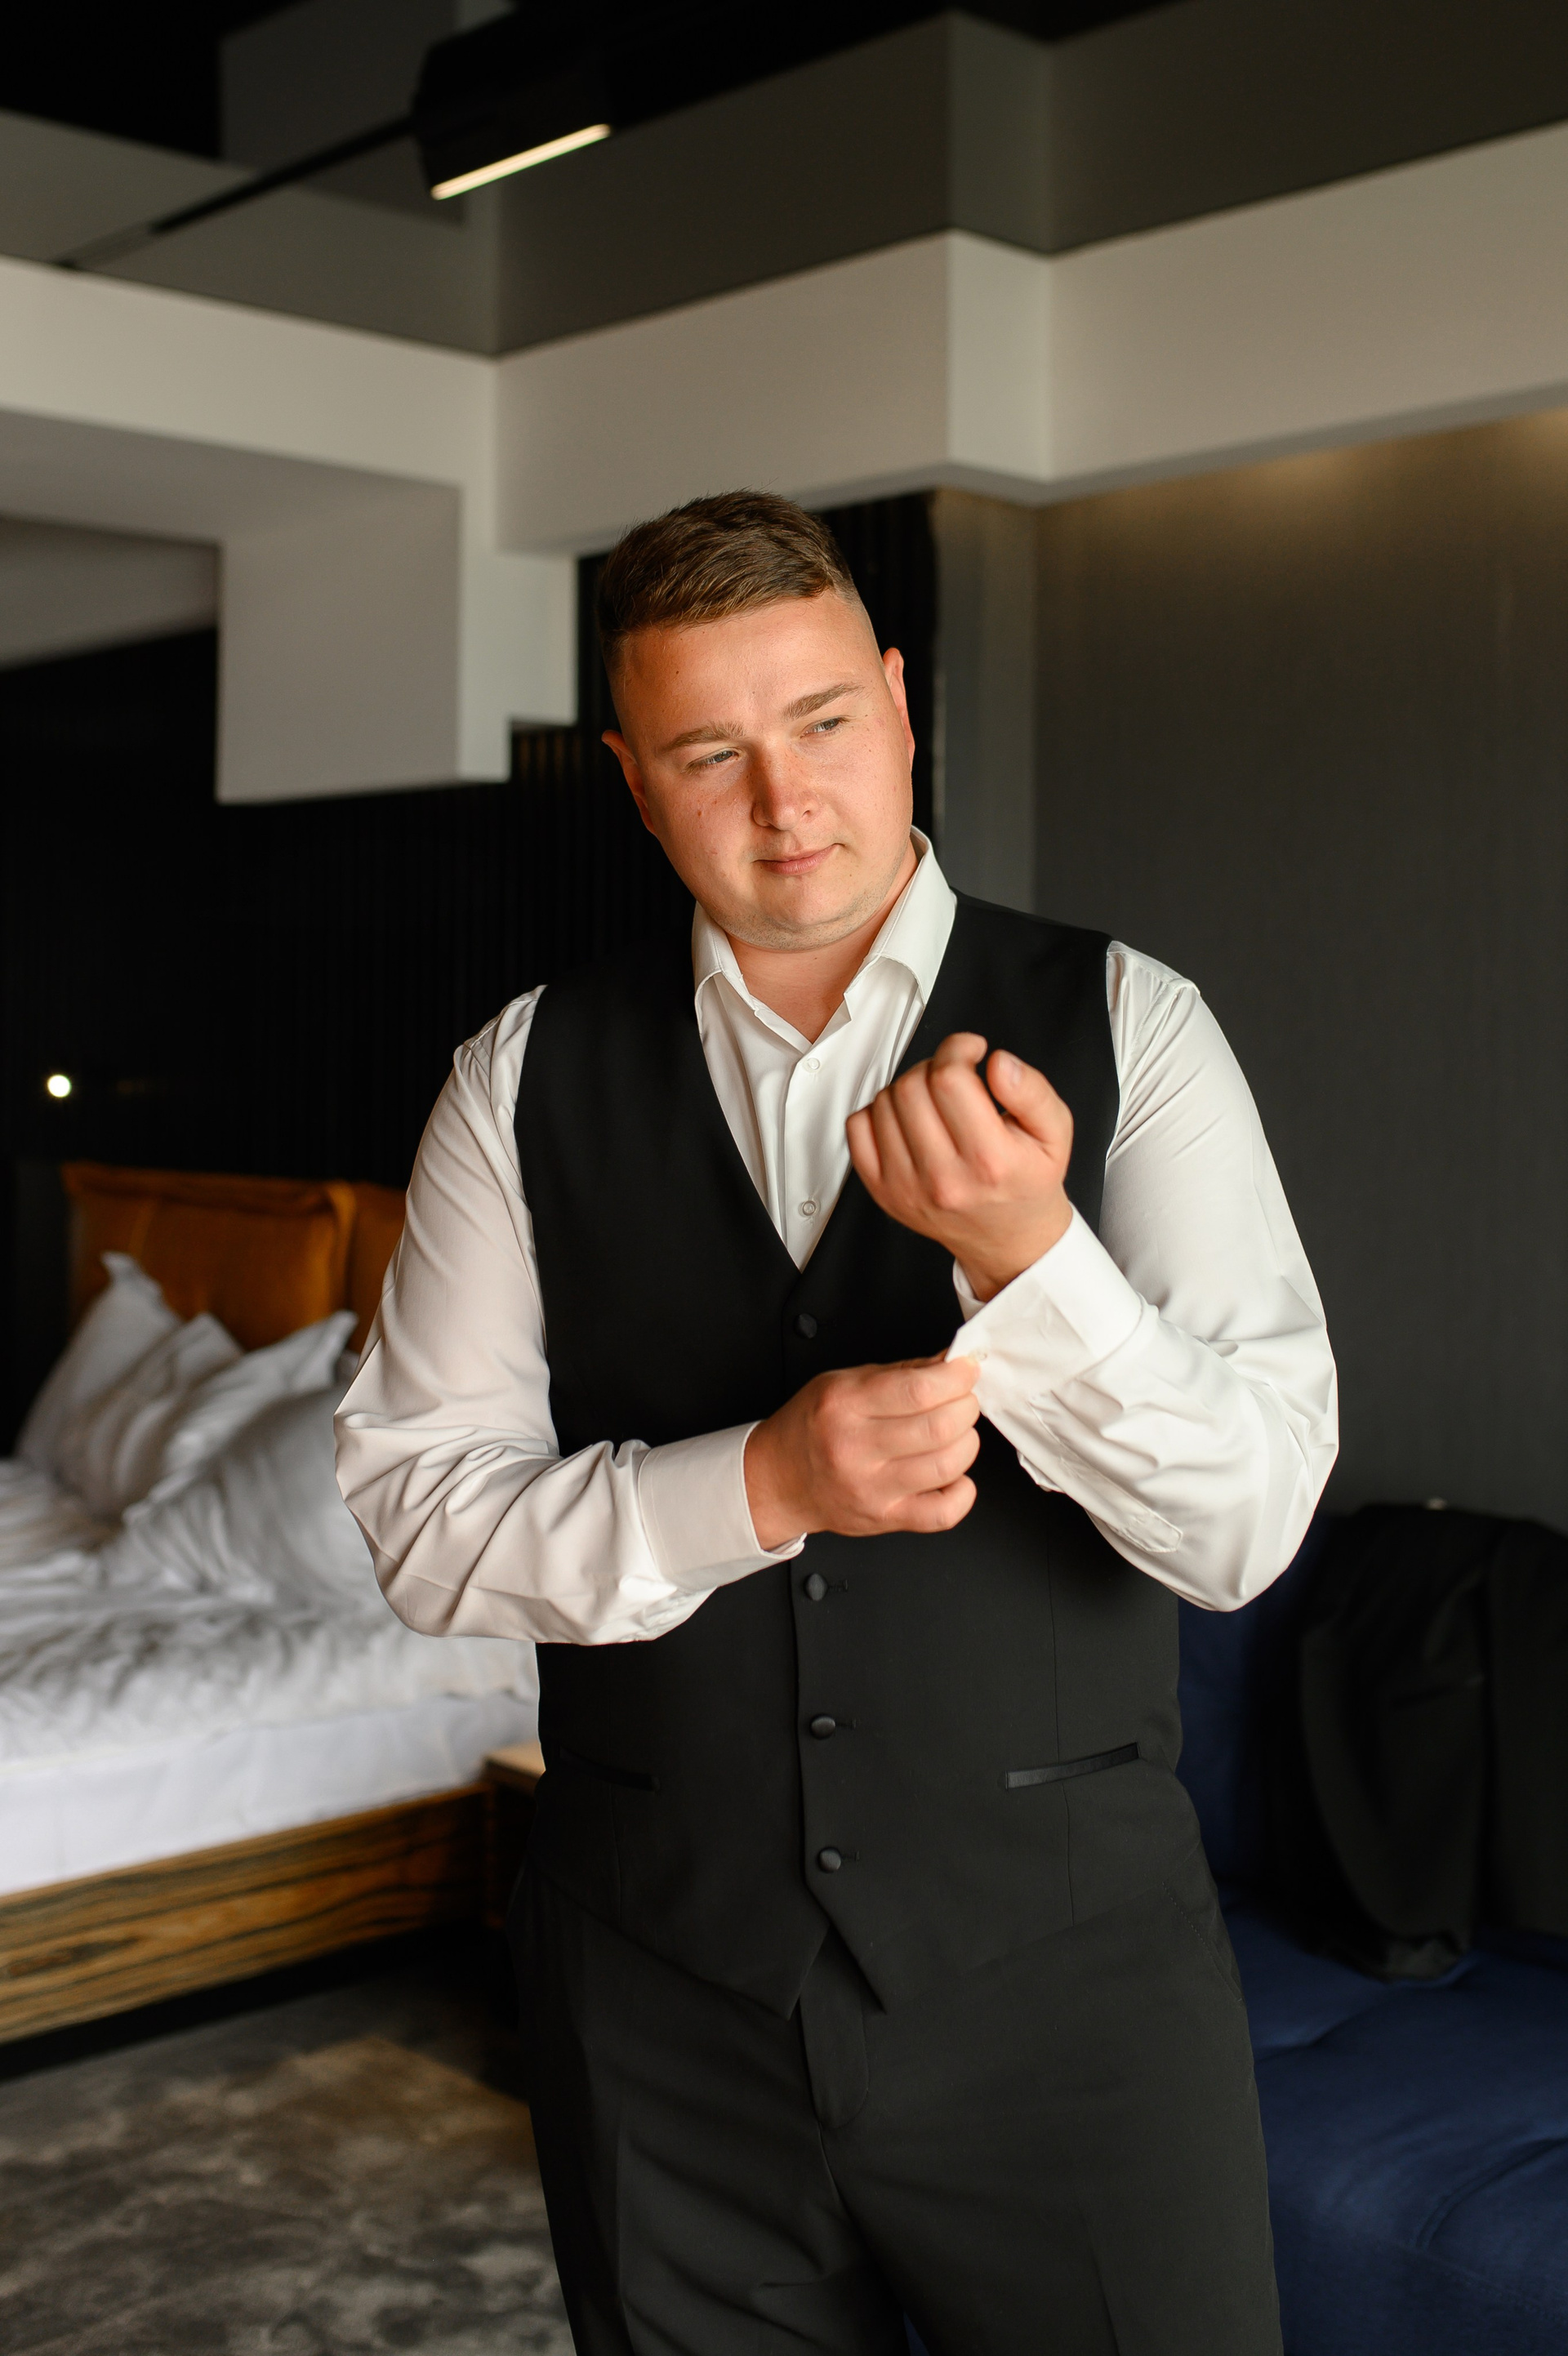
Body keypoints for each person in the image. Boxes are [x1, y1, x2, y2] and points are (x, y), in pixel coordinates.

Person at [335, 490, 1338, 2356]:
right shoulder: (515, 1077)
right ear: (635, 785)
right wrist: (762, 1481)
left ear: (897, 700)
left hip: (1071, 2011)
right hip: (655, 2008)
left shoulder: (1135, 1023)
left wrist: (1032, 1258)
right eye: (709, 754)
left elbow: (1247, 1526)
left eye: (819, 721)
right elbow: (419, 1525)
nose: (784, 801)